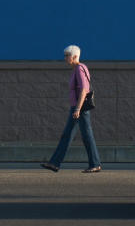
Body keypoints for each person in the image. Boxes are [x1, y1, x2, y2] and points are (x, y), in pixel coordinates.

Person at [40, 45, 102, 173]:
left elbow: (84, 89)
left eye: (67, 55)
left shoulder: (79, 69)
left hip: (80, 108)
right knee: (68, 136)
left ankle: (94, 164)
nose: (65, 58)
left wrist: (78, 109)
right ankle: (54, 163)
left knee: (86, 136)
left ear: (74, 56)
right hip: (77, 108)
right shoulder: (77, 69)